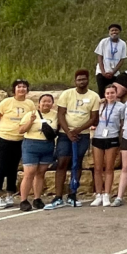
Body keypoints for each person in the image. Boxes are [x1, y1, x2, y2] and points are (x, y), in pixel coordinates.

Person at [51, 70, 99, 209]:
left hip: (82, 134)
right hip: (65, 134)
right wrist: (68, 132)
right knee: (62, 163)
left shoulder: (94, 96)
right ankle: (58, 196)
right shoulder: (67, 94)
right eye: (79, 80)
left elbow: (93, 118)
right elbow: (61, 114)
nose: (81, 82)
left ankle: (73, 193)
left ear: (88, 80)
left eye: (84, 79)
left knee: (76, 162)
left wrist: (77, 131)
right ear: (75, 81)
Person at [0, 80, 35, 209]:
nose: (21, 89)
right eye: (19, 87)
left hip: (20, 140)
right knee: (1, 168)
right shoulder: (6, 102)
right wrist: (0, 130)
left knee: (13, 169)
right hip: (3, 139)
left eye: (24, 87)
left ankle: (10, 194)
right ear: (14, 89)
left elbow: (32, 119)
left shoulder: (30, 104)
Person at [18, 94, 58, 212]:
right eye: (43, 101)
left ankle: (37, 198)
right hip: (31, 145)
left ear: (52, 103)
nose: (46, 104)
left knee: (41, 173)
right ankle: (24, 200)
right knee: (29, 173)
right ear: (39, 103)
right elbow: (21, 130)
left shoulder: (55, 115)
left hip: (47, 146)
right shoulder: (31, 114)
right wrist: (30, 121)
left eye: (49, 101)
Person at [89, 84, 123, 207]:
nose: (110, 95)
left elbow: (122, 124)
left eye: (112, 93)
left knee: (109, 168)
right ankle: (98, 194)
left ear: (116, 93)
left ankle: (107, 194)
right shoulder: (100, 105)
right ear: (104, 94)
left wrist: (120, 140)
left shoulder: (121, 107)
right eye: (107, 93)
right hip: (98, 137)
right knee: (98, 168)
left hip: (112, 137)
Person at [93, 24, 127, 99]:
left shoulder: (122, 44)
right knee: (102, 92)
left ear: (119, 32)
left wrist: (113, 72)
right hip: (102, 71)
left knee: (112, 92)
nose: (114, 32)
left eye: (116, 30)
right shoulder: (104, 41)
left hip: (114, 73)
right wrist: (103, 72)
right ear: (109, 32)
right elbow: (100, 57)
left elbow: (122, 60)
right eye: (112, 30)